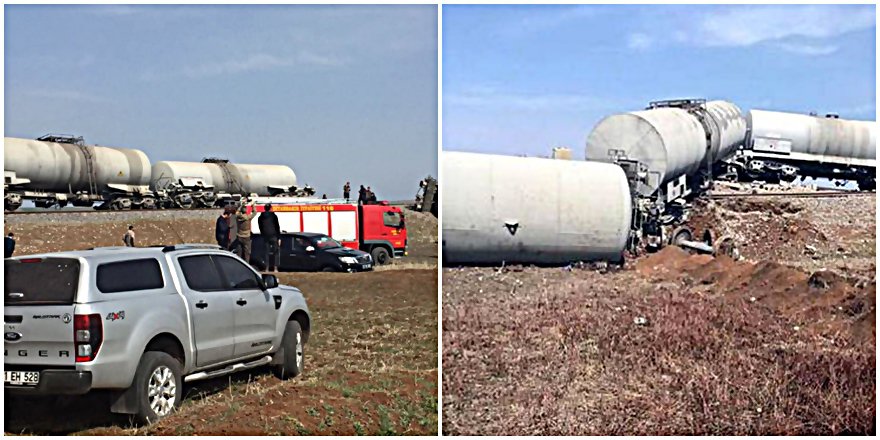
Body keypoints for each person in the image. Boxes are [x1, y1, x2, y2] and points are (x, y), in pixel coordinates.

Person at [257, 203, 282, 272]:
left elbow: (260, 226)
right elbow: (277, 227)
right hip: (274, 236)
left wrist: (263, 233)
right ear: (271, 208)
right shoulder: (274, 216)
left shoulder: (261, 217)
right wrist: (279, 237)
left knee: (266, 252)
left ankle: (267, 268)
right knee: (276, 252)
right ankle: (275, 268)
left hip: (265, 236)